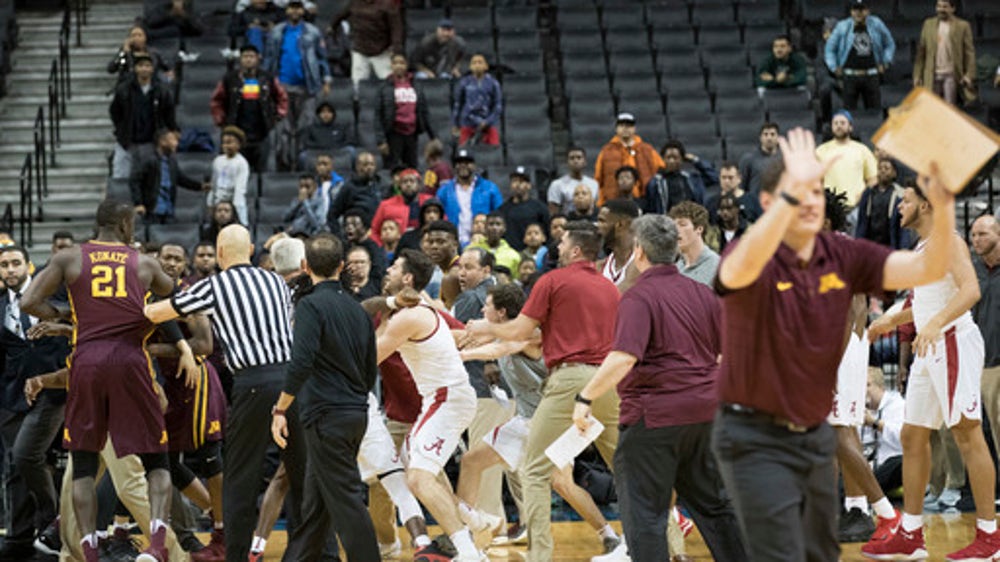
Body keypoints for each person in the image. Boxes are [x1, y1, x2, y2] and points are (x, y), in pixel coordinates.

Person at [711, 128, 957, 561]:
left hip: (840, 354)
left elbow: (858, 309)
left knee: (838, 434)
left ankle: (886, 516)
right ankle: (847, 512)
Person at [21, 200, 199, 562]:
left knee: (83, 464)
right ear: (123, 223)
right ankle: (155, 547)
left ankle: (87, 550)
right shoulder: (144, 262)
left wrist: (62, 314)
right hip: (130, 360)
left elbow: (28, 301)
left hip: (86, 361)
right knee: (157, 461)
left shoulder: (68, 258)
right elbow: (176, 297)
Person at [573, 214, 746, 562]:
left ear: (638, 251)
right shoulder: (702, 293)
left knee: (645, 515)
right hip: (705, 415)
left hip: (654, 419)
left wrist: (585, 397)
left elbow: (623, 357)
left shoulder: (639, 297)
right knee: (715, 507)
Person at [144, 224, 307, 562]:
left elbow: (157, 313)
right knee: (302, 473)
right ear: (250, 249)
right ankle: (311, 553)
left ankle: (235, 555)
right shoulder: (276, 281)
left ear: (219, 254)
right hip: (293, 383)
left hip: (253, 383)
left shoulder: (213, 286)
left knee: (239, 479)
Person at [465, 221, 621, 562]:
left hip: (568, 381)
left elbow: (520, 329)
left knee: (536, 471)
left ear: (576, 250)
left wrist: (485, 327)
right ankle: (654, 546)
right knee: (626, 467)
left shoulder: (552, 280)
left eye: (563, 242)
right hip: (608, 381)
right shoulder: (610, 289)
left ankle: (539, 557)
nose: (558, 246)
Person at [862, 182, 995, 559]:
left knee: (967, 433)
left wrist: (935, 323)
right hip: (930, 344)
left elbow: (970, 291)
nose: (899, 206)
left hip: (952, 340)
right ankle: (912, 532)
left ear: (924, 204)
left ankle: (989, 537)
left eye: (904, 200)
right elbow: (925, 303)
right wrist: (890, 322)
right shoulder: (922, 247)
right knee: (912, 435)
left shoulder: (947, 240)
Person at [270, 234, 380, 561]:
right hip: (355, 414)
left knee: (346, 501)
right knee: (316, 502)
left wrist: (280, 409)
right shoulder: (357, 309)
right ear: (342, 266)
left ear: (305, 266)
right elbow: (370, 369)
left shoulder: (310, 305)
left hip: (326, 417)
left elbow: (300, 362)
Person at [374, 249, 486, 561]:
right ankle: (470, 518)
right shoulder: (419, 308)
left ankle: (468, 551)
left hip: (445, 397)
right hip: (441, 397)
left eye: (394, 268)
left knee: (419, 478)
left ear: (407, 278)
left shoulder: (409, 316)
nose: (388, 271)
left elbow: (368, 357)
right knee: (414, 463)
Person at [152, 243, 228, 562]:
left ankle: (223, 534)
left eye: (176, 259)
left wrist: (155, 352)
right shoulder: (144, 293)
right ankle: (216, 512)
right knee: (164, 461)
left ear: (185, 266)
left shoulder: (189, 295)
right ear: (156, 262)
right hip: (165, 385)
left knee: (210, 458)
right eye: (166, 258)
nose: (170, 263)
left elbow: (204, 344)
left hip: (196, 383)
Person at [0, 246, 71, 559]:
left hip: (54, 391)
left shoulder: (54, 297)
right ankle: (19, 535)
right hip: (12, 395)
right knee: (16, 466)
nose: (10, 270)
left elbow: (72, 339)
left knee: (29, 456)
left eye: (16, 263)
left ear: (29, 265)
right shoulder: (1, 306)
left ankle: (51, 521)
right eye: (4, 265)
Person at [264, 0, 332, 170]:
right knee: (283, 129)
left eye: (298, 8)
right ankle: (284, 166)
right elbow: (269, 59)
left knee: (305, 127)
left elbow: (322, 58)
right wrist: (265, 82)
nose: (295, 11)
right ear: (287, 10)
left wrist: (326, 80)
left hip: (307, 86)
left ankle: (303, 165)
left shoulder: (313, 32)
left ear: (302, 11)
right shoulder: (277, 32)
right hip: (282, 86)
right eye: (292, 8)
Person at [210, 44, 288, 173]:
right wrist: (220, 120)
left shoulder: (267, 78)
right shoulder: (230, 79)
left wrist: (279, 114)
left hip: (262, 132)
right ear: (240, 59)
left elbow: (282, 97)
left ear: (258, 58)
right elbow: (216, 100)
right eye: (245, 56)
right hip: (237, 132)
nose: (248, 60)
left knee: (262, 172)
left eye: (251, 56)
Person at [110, 53, 177, 180]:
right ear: (135, 68)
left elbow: (169, 114)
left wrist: (170, 131)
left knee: (150, 179)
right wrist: (121, 129)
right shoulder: (123, 89)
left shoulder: (161, 91)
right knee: (121, 177)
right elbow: (115, 112)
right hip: (127, 141)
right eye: (141, 65)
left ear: (152, 69)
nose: (144, 69)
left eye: (147, 65)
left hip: (151, 142)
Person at [824, 0, 896, 110]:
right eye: (855, 9)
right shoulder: (842, 26)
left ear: (868, 11)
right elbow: (829, 49)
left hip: (871, 74)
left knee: (874, 112)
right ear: (851, 11)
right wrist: (834, 67)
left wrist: (886, 62)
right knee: (849, 113)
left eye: (862, 9)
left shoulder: (876, 24)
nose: (858, 13)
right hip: (849, 75)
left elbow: (889, 44)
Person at [130, 129, 209, 224]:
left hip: (169, 210)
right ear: (162, 141)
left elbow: (181, 179)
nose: (176, 143)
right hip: (153, 210)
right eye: (173, 140)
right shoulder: (149, 160)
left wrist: (200, 186)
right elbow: (135, 180)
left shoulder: (172, 161)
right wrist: (138, 203)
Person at [376, 53, 436, 170]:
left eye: (402, 63)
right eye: (395, 63)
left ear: (407, 65)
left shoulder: (416, 86)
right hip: (393, 135)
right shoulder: (384, 87)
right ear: (391, 66)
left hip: (412, 134)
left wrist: (434, 137)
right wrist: (381, 141)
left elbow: (424, 111)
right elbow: (377, 116)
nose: (399, 66)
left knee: (412, 169)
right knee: (392, 169)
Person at [972, 215, 1000, 457]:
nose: (976, 240)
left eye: (983, 234)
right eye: (973, 235)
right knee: (992, 426)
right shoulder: (972, 271)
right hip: (984, 361)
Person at [914, 0, 977, 106]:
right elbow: (921, 53)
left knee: (949, 108)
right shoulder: (928, 24)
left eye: (944, 7)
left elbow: (969, 53)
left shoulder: (963, 26)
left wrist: (969, 75)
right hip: (932, 74)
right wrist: (917, 75)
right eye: (938, 6)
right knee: (932, 108)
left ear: (952, 9)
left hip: (951, 74)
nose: (941, 9)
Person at [436, 149, 503, 246]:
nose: (463, 165)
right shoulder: (444, 191)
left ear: (474, 165)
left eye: (467, 162)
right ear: (455, 166)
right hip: (452, 243)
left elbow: (499, 215)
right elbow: (438, 217)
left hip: (483, 242)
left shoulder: (489, 188)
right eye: (459, 163)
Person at [595, 113, 664, 206]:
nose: (625, 128)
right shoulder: (606, 151)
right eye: (621, 125)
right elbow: (598, 179)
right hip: (613, 201)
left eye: (629, 125)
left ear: (634, 128)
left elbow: (660, 170)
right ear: (616, 129)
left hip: (643, 201)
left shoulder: (647, 149)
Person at [331, 0, 403, 86]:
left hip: (381, 51)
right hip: (359, 50)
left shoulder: (387, 4)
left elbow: (396, 28)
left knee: (390, 84)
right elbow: (340, 15)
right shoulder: (354, 3)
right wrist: (332, 27)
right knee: (357, 85)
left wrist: (397, 49)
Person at [815, 110, 878, 207]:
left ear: (850, 127)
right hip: (830, 206)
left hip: (857, 205)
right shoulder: (821, 151)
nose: (839, 126)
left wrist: (863, 197)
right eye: (835, 123)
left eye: (842, 123)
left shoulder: (862, 150)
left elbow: (873, 178)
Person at [861, 367, 904, 497]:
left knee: (900, 463)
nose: (863, 390)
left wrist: (875, 423)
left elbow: (903, 439)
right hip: (866, 465)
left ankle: (862, 493)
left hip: (891, 463)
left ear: (880, 386)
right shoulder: (858, 408)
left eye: (867, 385)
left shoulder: (898, 405)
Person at [644, 139, 716, 214]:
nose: (671, 161)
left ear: (682, 159)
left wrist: (695, 160)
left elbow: (713, 177)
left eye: (675, 158)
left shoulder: (692, 179)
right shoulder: (655, 183)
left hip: (691, 219)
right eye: (668, 157)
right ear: (663, 159)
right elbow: (651, 208)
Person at [327, 151, 390, 233]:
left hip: (379, 233)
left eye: (372, 164)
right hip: (358, 234)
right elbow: (332, 215)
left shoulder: (380, 184)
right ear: (357, 167)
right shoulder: (349, 187)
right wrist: (339, 235)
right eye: (365, 165)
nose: (369, 167)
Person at [855, 158, 909, 249]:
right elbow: (862, 221)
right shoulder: (869, 193)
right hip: (870, 244)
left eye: (887, 168)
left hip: (890, 244)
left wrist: (903, 247)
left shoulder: (899, 195)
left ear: (894, 173)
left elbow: (903, 226)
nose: (883, 171)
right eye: (880, 168)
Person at [452, 53, 503, 147]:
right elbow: (458, 104)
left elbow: (498, 106)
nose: (477, 65)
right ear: (470, 67)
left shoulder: (493, 83)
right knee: (464, 152)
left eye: (480, 62)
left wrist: (487, 122)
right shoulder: (464, 82)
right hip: (468, 122)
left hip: (488, 123)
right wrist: (455, 123)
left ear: (486, 66)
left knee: (494, 148)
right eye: (474, 63)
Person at [371, 168, 432, 246]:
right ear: (399, 185)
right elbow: (375, 231)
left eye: (412, 181)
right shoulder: (385, 205)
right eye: (405, 182)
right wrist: (382, 249)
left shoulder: (430, 202)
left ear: (419, 185)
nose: (408, 184)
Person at [668, 201, 719, 287]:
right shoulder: (675, 268)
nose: (676, 230)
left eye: (682, 224)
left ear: (699, 229)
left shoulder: (717, 267)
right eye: (673, 226)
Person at [498, 167, 550, 252]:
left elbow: (547, 234)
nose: (518, 184)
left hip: (534, 254)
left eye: (522, 181)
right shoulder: (503, 210)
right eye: (515, 181)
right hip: (510, 254)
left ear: (529, 185)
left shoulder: (540, 208)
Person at [207, 126, 251, 225]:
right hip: (218, 202)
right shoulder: (218, 161)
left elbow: (240, 190)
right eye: (224, 142)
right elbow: (213, 185)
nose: (226, 146)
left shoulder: (241, 163)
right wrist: (210, 202)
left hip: (232, 203)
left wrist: (240, 216)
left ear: (238, 144)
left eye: (230, 142)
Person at [596, 199, 641, 291]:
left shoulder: (644, 263)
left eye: (602, 221)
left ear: (620, 225)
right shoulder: (600, 266)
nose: (597, 226)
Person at [107, 24, 172, 84]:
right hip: (129, 87)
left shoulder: (153, 53)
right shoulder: (124, 55)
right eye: (133, 35)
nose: (137, 38)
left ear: (145, 37)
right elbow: (112, 68)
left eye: (140, 35)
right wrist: (124, 53)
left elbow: (165, 68)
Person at [298, 102, 357, 166]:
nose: (326, 114)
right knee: (303, 156)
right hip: (317, 152)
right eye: (323, 112)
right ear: (318, 114)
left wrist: (335, 145)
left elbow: (349, 141)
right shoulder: (311, 128)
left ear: (333, 114)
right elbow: (306, 142)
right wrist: (321, 145)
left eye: (329, 112)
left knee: (351, 151)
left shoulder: (341, 127)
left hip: (337, 151)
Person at [548, 146, 600, 216]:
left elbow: (596, 208)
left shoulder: (594, 184)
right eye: (572, 158)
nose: (575, 161)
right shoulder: (557, 184)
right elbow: (553, 213)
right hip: (568, 223)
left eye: (579, 158)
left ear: (585, 162)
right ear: (567, 162)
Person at [706, 161, 761, 226]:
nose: (726, 181)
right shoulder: (711, 202)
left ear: (739, 178)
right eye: (723, 177)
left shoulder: (752, 200)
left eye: (730, 178)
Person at [738, 122, 781, 196]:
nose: (769, 138)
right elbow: (741, 186)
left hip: (779, 204)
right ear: (760, 138)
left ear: (778, 138)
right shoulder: (748, 159)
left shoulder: (786, 158)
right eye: (765, 134)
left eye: (772, 134)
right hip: (755, 204)